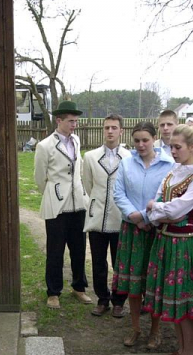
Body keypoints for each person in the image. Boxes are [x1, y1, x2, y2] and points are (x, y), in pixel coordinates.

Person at [144, 124, 193, 355]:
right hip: (166, 240)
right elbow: (161, 207)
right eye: (171, 146)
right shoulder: (174, 170)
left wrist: (156, 208)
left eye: (178, 147)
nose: (172, 151)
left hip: (185, 245)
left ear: (192, 147)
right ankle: (181, 349)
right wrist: (158, 210)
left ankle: (189, 353)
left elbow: (179, 209)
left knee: (184, 299)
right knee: (171, 297)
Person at [113, 121, 174, 348]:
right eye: (137, 140)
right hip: (132, 229)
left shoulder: (168, 165)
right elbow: (118, 193)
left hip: (157, 230)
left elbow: (167, 196)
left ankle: (155, 331)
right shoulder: (126, 164)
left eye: (145, 140)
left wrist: (148, 219)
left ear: (154, 138)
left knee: (154, 283)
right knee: (134, 282)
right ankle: (136, 327)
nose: (140, 145)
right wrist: (136, 217)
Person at [34, 100, 92, 309]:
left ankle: (79, 288)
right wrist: (52, 192)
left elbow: (80, 168)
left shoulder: (75, 140)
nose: (74, 125)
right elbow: (40, 177)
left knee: (78, 249)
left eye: (76, 121)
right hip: (57, 205)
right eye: (70, 121)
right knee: (55, 251)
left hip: (78, 203)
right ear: (59, 120)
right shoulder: (45, 145)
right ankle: (53, 292)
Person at [83, 114, 128, 317]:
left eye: (114, 128)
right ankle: (102, 299)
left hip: (120, 217)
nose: (110, 131)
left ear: (121, 131)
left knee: (119, 262)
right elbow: (88, 184)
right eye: (107, 127)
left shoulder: (128, 157)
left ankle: (119, 300)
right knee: (98, 261)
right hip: (97, 216)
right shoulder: (90, 157)